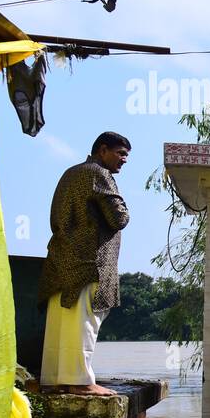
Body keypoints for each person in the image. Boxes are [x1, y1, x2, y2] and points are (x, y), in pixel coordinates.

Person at [38, 132, 131, 395]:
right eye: (120, 153)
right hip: (89, 262)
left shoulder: (70, 173)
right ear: (102, 150)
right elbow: (118, 218)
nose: (124, 160)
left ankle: (56, 380)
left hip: (62, 260)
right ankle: (81, 382)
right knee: (84, 324)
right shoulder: (99, 174)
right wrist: (125, 208)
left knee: (61, 325)